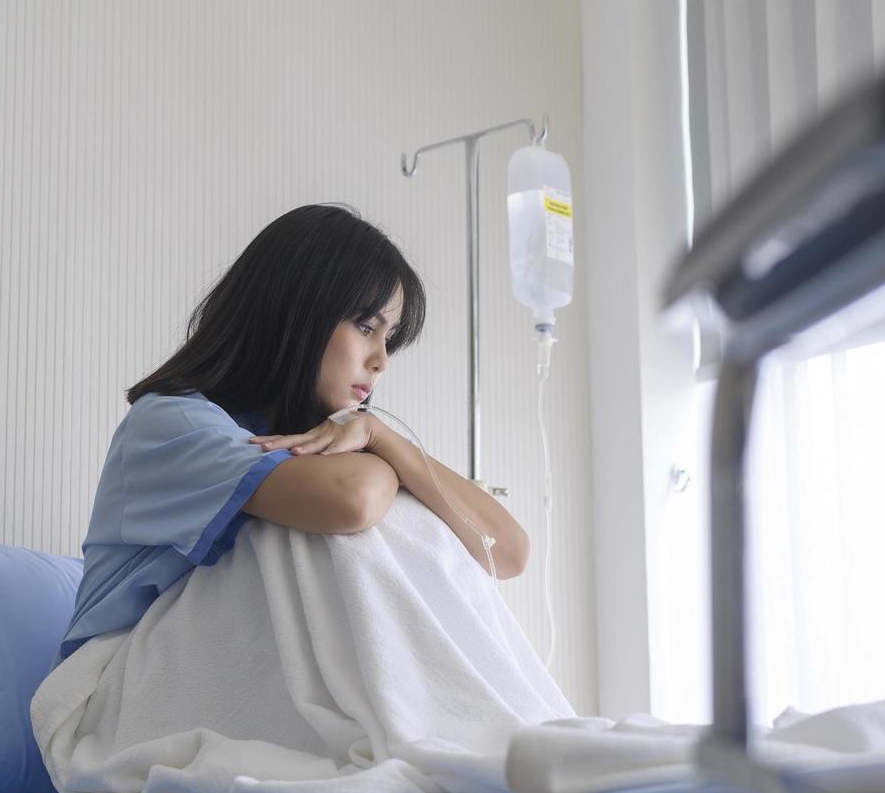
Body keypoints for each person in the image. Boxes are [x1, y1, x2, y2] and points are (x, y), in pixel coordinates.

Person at [57, 203, 530, 666]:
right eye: (367, 327)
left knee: (408, 520)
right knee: (320, 536)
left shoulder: (316, 440)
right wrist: (379, 447)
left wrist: (381, 436)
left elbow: (506, 552)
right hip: (112, 693)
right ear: (296, 312)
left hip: (209, 678)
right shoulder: (168, 424)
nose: (381, 361)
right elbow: (352, 500)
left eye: (389, 341)